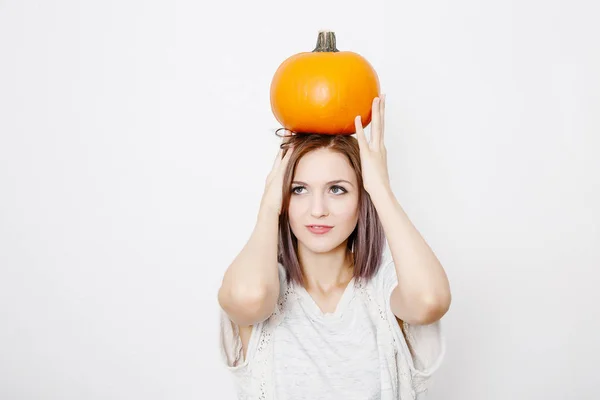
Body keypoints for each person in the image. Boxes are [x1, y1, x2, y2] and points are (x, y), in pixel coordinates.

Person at [218, 95, 452, 400]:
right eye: (299, 190)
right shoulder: (261, 285)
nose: (318, 209)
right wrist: (268, 206)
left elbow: (429, 301)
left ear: (361, 198)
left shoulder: (384, 290)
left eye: (337, 189)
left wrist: (381, 189)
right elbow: (248, 299)